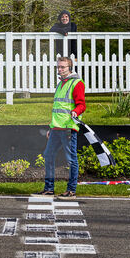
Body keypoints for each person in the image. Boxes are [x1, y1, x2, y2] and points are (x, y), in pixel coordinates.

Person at [36, 56, 86, 198]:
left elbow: (81, 105)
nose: (60, 69)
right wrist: (51, 129)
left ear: (70, 68)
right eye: (58, 67)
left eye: (62, 67)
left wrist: (75, 112)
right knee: (48, 155)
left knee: (71, 160)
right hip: (57, 129)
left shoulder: (77, 83)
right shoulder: (61, 84)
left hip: (68, 129)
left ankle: (71, 190)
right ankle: (49, 188)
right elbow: (58, 108)